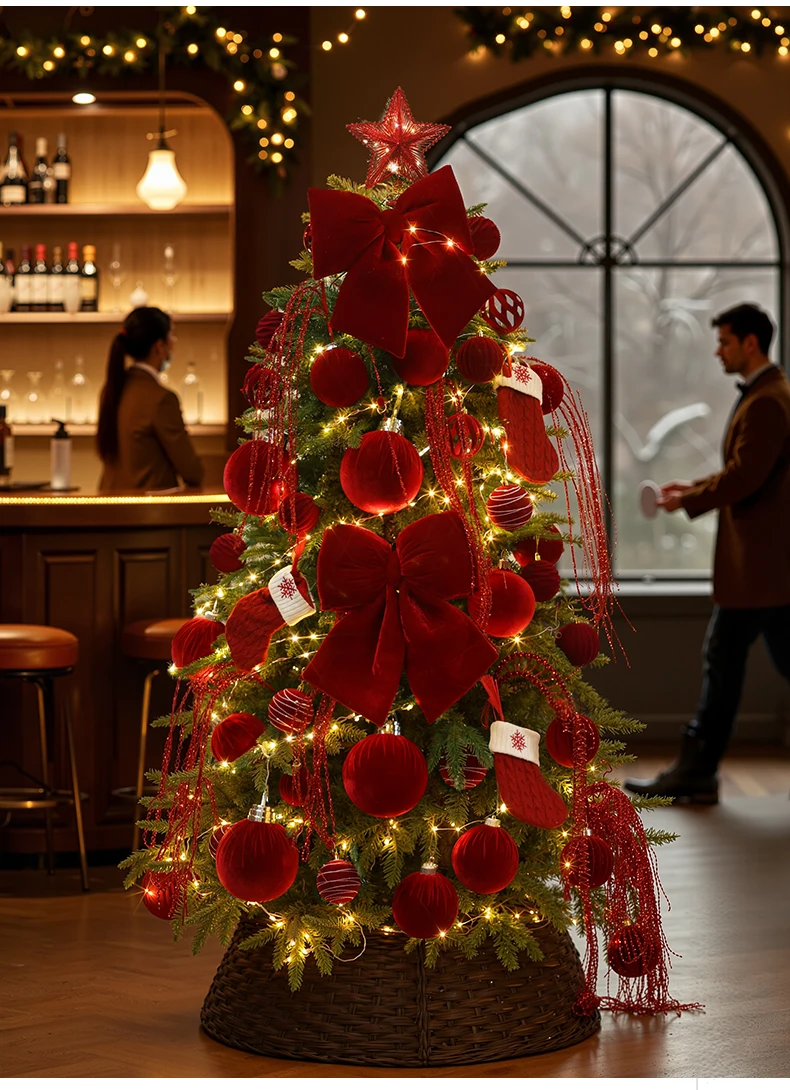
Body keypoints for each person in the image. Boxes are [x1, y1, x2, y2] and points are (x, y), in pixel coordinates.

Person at [625, 303, 790, 804]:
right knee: (725, 660)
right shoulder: (769, 395)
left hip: (762, 570)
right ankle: (697, 771)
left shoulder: (767, 401)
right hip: (762, 571)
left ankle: (696, 773)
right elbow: (745, 470)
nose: (717, 351)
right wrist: (691, 487)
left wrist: (687, 498)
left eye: (724, 342)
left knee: (727, 660)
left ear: (750, 344)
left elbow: (745, 477)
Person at [97, 306, 204, 492]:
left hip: (110, 502)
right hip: (150, 512)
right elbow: (191, 470)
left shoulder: (111, 390)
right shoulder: (161, 399)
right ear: (159, 346)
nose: (174, 343)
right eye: (172, 336)